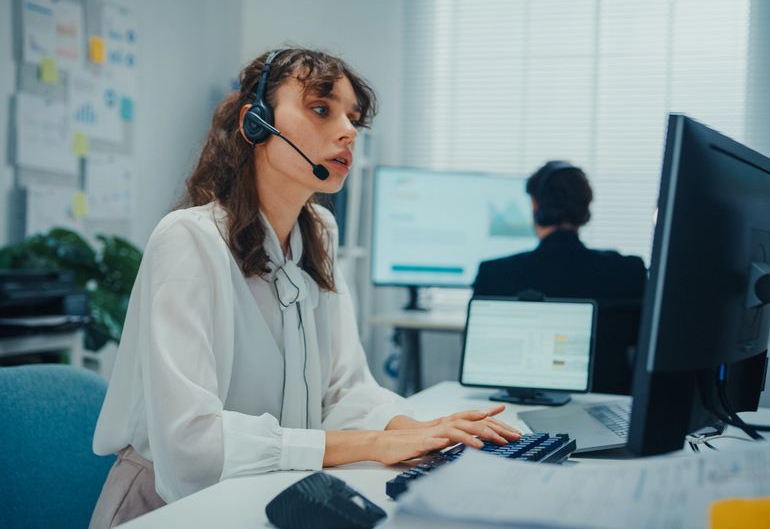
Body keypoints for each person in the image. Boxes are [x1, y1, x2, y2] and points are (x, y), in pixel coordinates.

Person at [89, 47, 521, 528]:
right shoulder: (188, 240)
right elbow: (193, 446)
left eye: (353, 118)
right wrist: (378, 443)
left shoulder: (319, 233)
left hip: (273, 489)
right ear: (256, 123)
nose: (348, 130)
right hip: (169, 505)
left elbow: (344, 390)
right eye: (322, 109)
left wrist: (423, 431)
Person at [472, 161, 647, 394]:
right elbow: (642, 345)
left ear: (535, 205)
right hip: (605, 403)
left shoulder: (494, 273)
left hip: (516, 404)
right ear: (585, 209)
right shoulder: (628, 271)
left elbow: (482, 351)